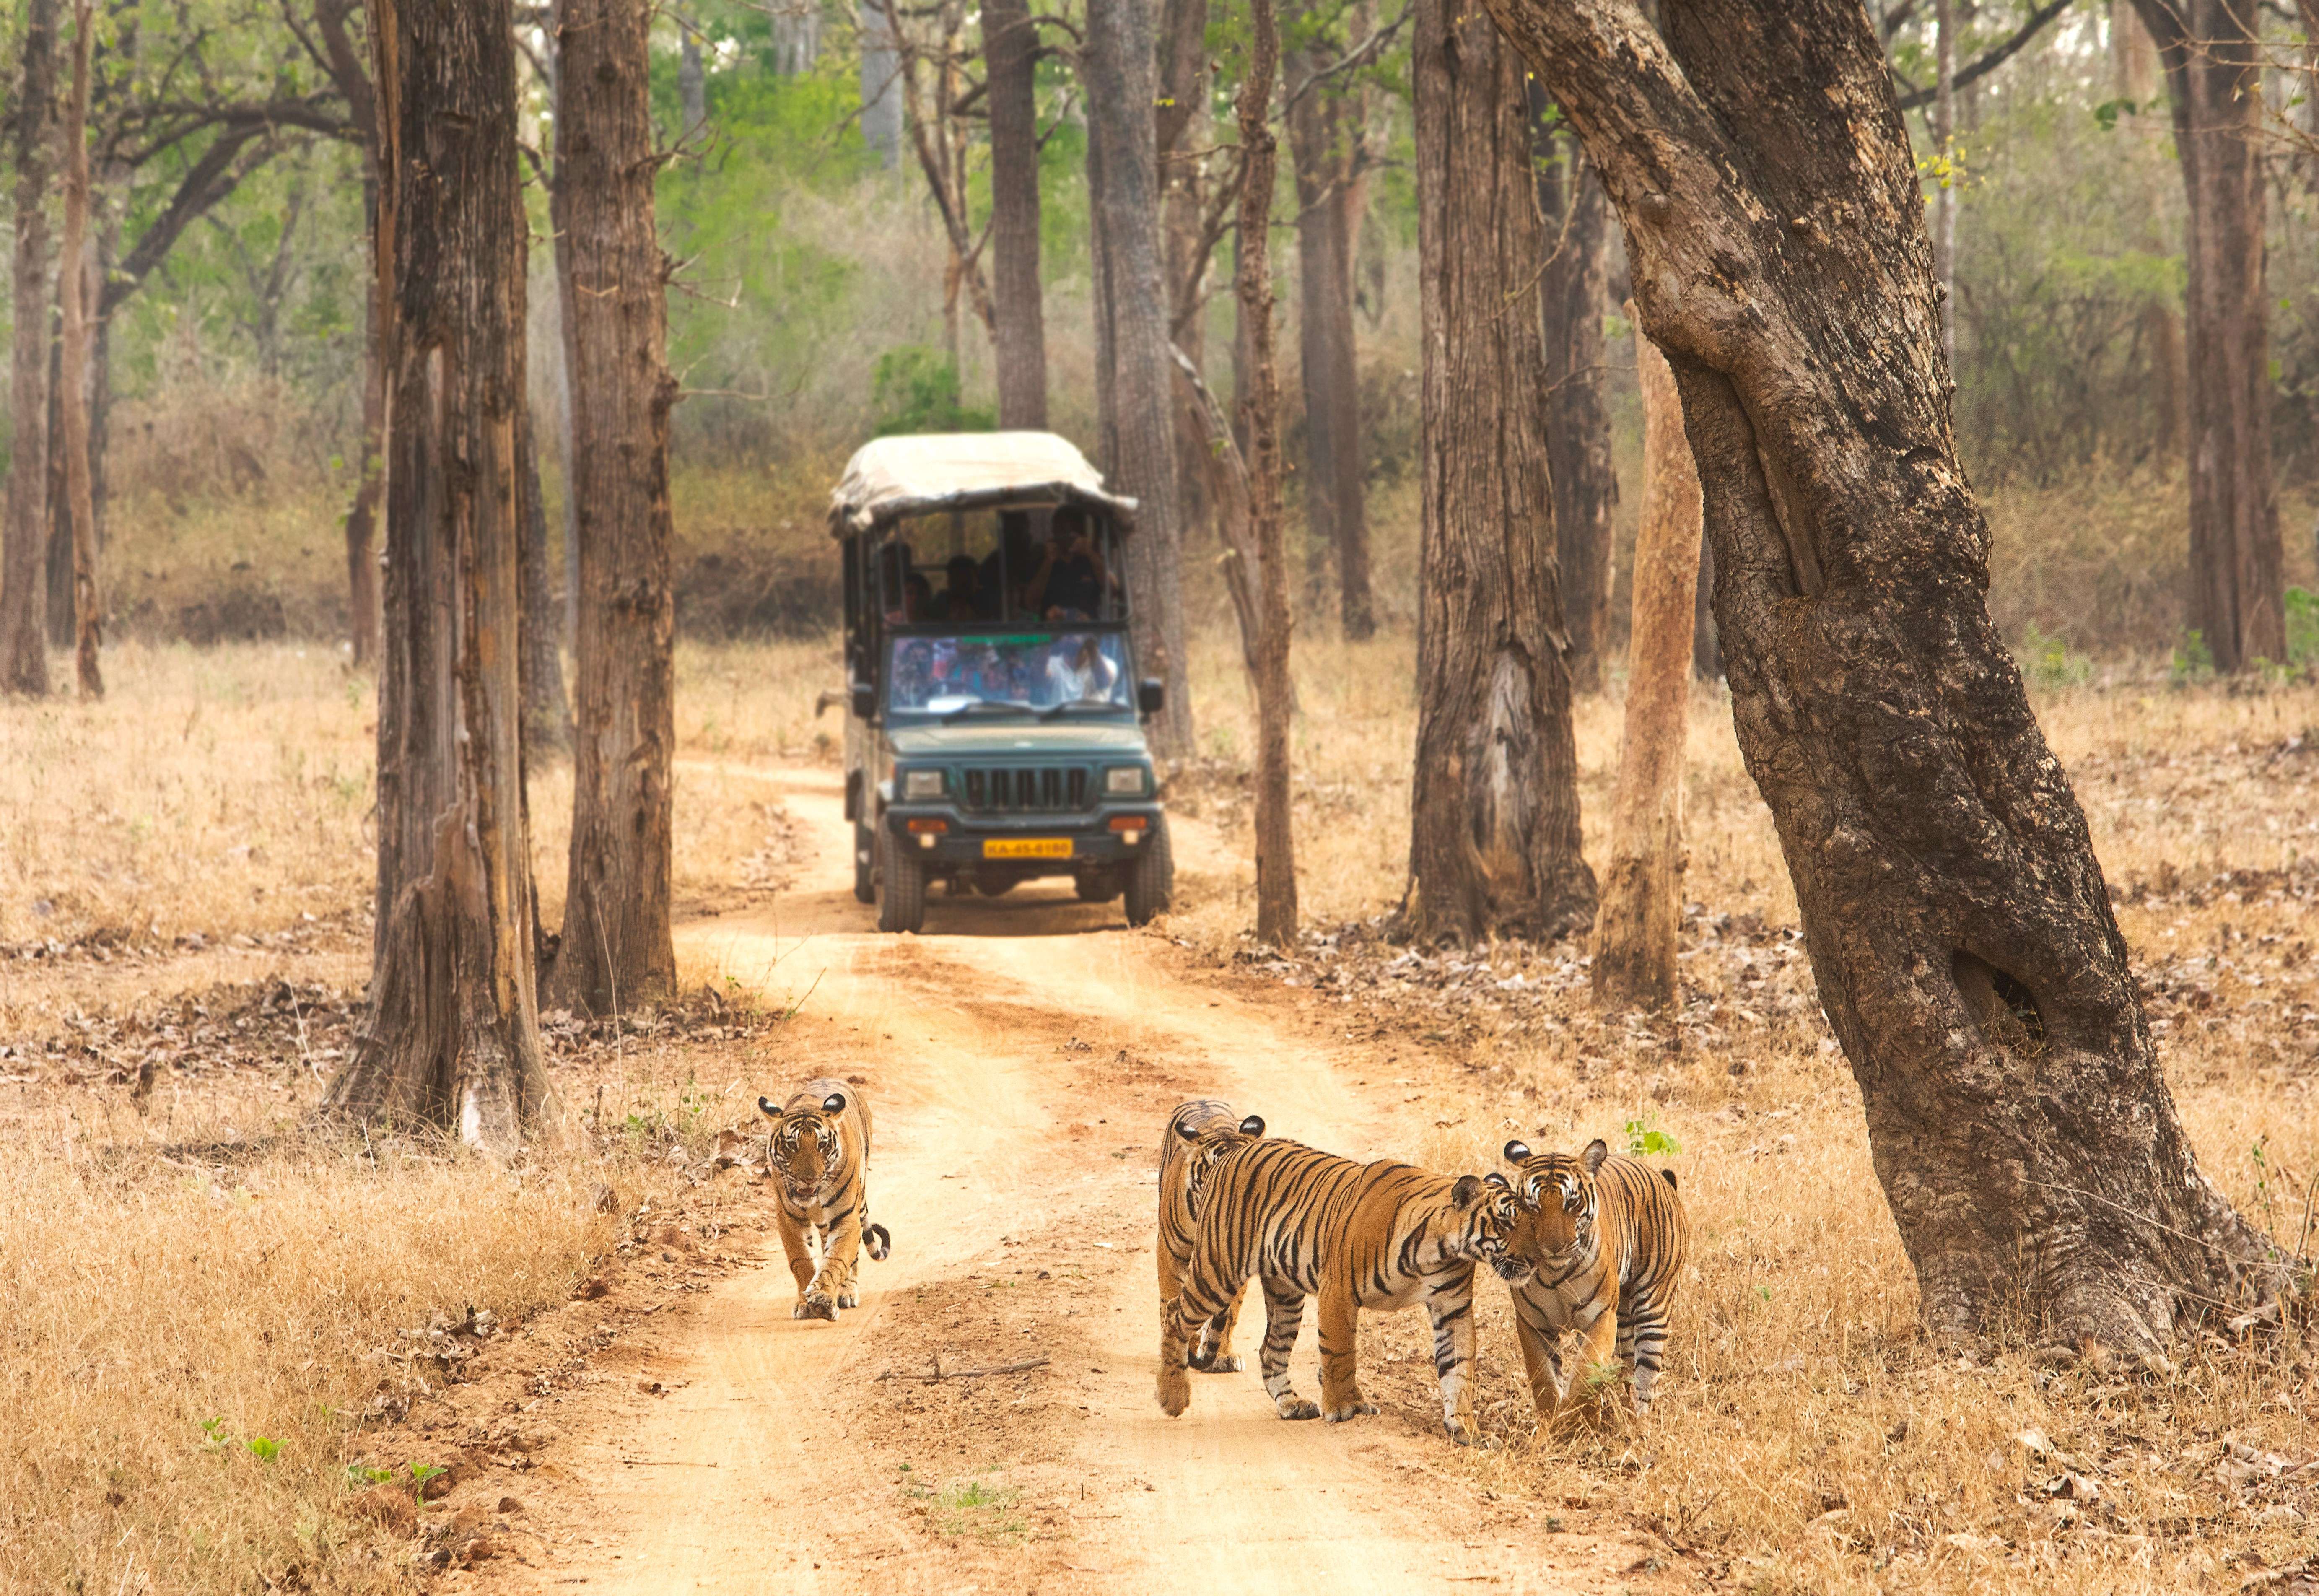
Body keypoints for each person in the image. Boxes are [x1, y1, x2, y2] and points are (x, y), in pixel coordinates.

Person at [1027, 507, 1110, 621]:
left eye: (1071, 533)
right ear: (1053, 533)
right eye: (1060, 532)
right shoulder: (1043, 559)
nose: (1066, 538)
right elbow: (1030, 602)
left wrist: (1090, 554)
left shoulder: (1091, 559)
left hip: (1089, 632)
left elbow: (1113, 590)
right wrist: (1048, 562)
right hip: (1051, 632)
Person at [1043, 634, 1118, 704]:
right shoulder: (1052, 663)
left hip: (1094, 718)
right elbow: (1039, 678)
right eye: (1068, 635)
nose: (1071, 639)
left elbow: (1104, 683)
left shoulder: (1108, 664)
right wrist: (1045, 642)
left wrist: (1090, 644)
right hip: (1058, 717)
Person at [939, 555, 981, 621]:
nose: (961, 585)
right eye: (956, 579)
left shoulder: (987, 601)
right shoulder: (941, 601)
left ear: (977, 580)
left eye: (967, 580)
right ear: (949, 582)